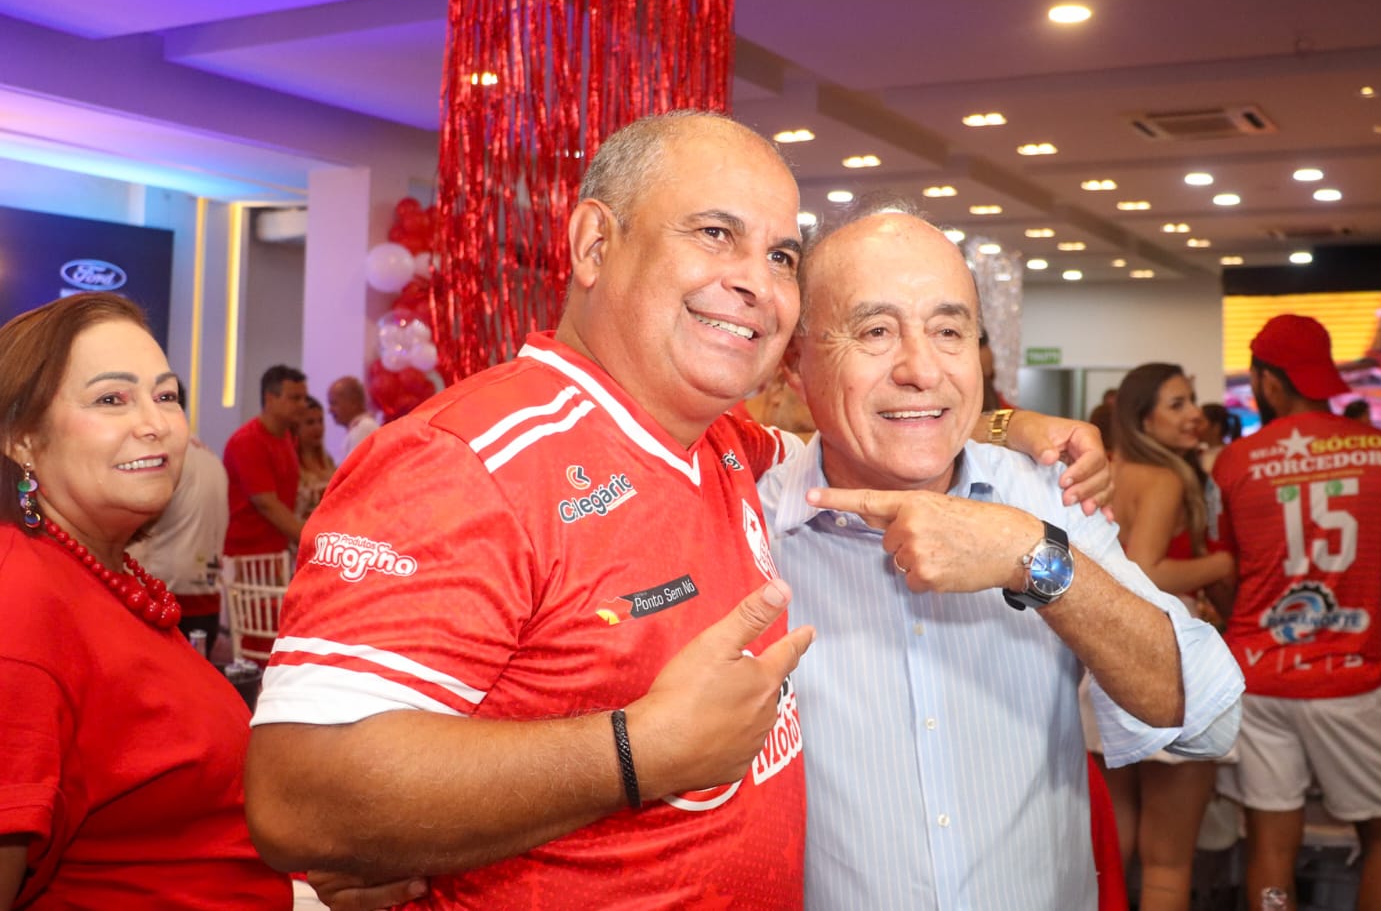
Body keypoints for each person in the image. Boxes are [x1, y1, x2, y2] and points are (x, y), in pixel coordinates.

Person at [244, 112, 1113, 907]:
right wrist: (637, 751)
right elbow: (297, 795)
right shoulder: (469, 460)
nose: (758, 283)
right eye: (715, 233)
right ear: (594, 243)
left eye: (781, 256)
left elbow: (880, 429)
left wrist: (1008, 425)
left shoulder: (727, 446)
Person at [764, 209, 1243, 909]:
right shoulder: (750, 519)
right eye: (875, 331)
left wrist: (1033, 557)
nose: (922, 369)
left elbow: (1204, 719)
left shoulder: (1047, 495)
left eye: (949, 331)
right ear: (794, 361)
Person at [0, 292, 291, 908]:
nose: (155, 423)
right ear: (22, 439)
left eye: (166, 395)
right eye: (112, 399)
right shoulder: (20, 601)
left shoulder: (102, 573)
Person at [1209, 314, 1381, 909]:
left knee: (1270, 845)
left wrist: (1252, 631)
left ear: (1268, 381)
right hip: (1352, 679)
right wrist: (1371, 647)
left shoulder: (1233, 464)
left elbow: (1223, 578)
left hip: (1258, 677)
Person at [1089, 363, 1236, 910]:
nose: (1194, 414)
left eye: (1191, 400)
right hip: (1166, 657)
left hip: (1103, 654)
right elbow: (1146, 571)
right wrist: (1220, 564)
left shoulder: (1110, 471)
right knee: (1168, 862)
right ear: (1142, 418)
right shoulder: (1166, 478)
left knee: (1113, 849)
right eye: (1177, 404)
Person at [127, 380, 230, 657]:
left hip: (165, 595)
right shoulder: (210, 455)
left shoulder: (163, 458)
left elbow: (137, 522)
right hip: (205, 595)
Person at [223, 365, 306, 566]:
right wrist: (312, 541)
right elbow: (267, 504)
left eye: (304, 398)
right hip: (245, 559)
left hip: (276, 555)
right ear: (270, 399)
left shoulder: (287, 438)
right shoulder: (248, 441)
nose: (303, 405)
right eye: (295, 398)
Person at [294, 396, 337, 520]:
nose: (317, 428)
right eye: (310, 422)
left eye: (320, 421)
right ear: (296, 427)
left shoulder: (328, 461)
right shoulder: (291, 464)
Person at [327, 376, 380, 461]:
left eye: (334, 403)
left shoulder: (364, 428)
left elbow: (356, 467)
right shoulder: (359, 428)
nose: (330, 410)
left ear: (353, 403)